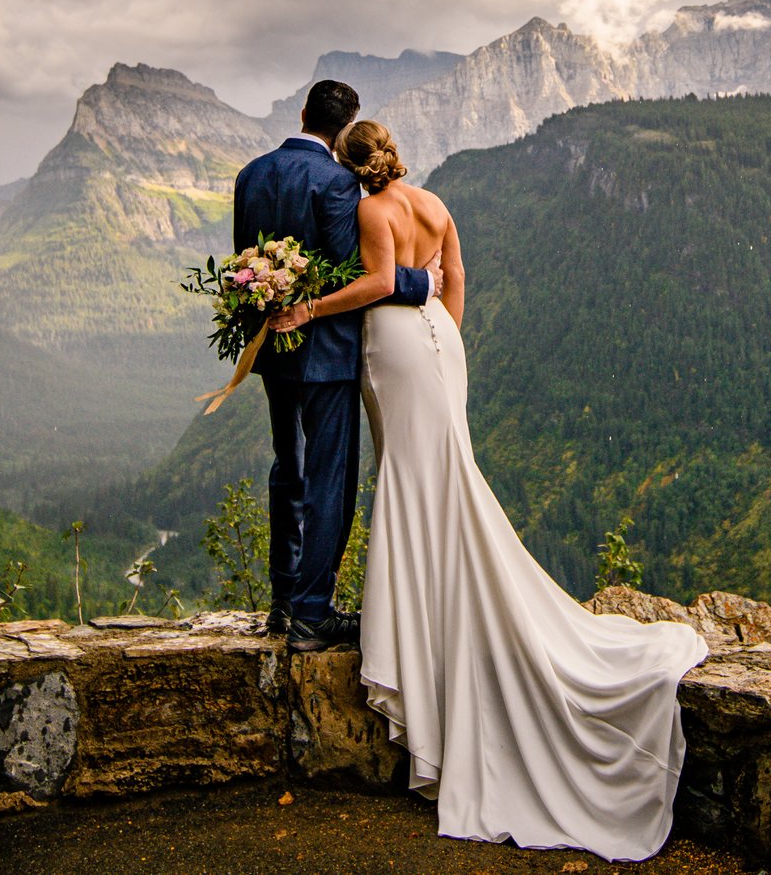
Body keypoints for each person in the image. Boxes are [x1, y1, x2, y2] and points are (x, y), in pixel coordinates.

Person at [277, 120, 708, 861]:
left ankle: (425, 641)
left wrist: (308, 307)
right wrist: (446, 335)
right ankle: (441, 619)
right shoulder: (434, 202)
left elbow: (381, 283)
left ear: (350, 170)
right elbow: (458, 276)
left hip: (396, 344)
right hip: (442, 342)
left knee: (413, 483)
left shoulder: (372, 210)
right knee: (447, 476)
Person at [232, 79, 440, 653]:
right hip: (326, 354)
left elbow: (244, 268)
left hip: (271, 348)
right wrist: (422, 281)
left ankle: (281, 601)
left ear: (301, 113)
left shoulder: (251, 175)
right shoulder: (338, 183)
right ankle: (312, 613)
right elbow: (359, 275)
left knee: (287, 468)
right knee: (329, 478)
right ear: (346, 128)